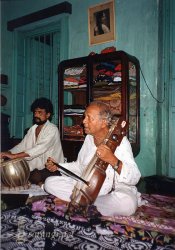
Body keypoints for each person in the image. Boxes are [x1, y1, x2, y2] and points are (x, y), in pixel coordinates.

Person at [44, 101, 142, 217]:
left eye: (89, 118)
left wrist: (112, 159)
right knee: (49, 183)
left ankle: (79, 204)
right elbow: (80, 166)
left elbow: (135, 177)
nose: (83, 121)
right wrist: (59, 166)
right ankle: (86, 205)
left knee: (127, 204)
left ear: (103, 122)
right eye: (85, 117)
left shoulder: (120, 142)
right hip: (89, 187)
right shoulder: (89, 139)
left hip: (116, 189)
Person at [0, 97, 64, 185]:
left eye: (40, 112)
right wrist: (7, 153)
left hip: (52, 169)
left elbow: (40, 148)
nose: (36, 115)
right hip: (37, 168)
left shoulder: (53, 129)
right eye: (35, 112)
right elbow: (22, 145)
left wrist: (14, 156)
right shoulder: (33, 129)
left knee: (30, 176)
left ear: (48, 115)